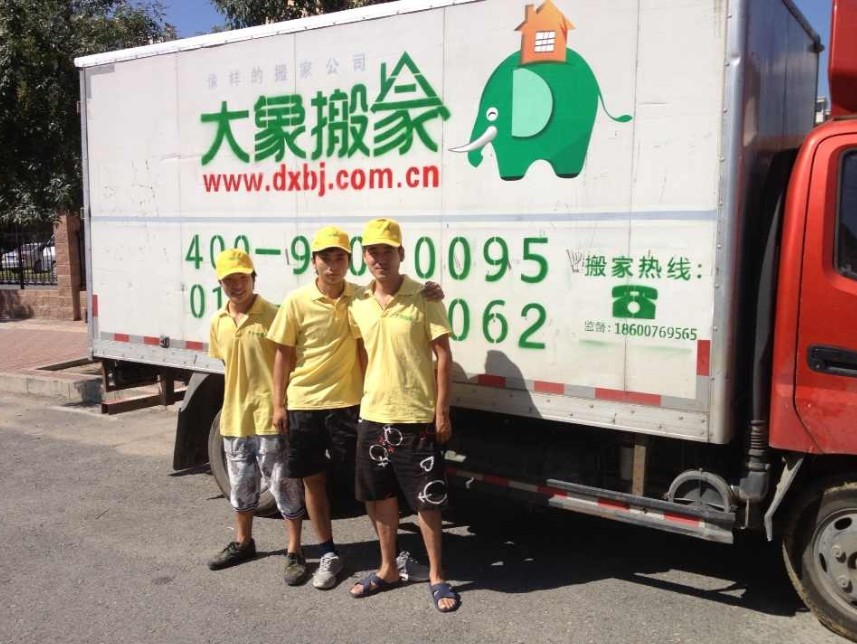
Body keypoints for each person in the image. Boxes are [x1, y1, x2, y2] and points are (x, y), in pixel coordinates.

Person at [267, 225, 441, 589]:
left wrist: (431, 289)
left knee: (369, 487)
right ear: (313, 261)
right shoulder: (297, 301)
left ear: (349, 261)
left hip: (350, 404)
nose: (332, 266)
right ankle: (327, 552)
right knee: (313, 480)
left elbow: (380, 331)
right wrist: (277, 403)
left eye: (339, 258)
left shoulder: (359, 296)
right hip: (304, 404)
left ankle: (390, 555)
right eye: (325, 258)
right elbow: (282, 354)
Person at [347, 218, 461, 613]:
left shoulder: (425, 296)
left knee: (427, 501)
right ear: (364, 257)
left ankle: (437, 576)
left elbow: (443, 356)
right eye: (372, 251)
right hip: (373, 414)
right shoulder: (358, 302)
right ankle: (388, 569)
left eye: (387, 250)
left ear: (401, 254)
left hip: (415, 416)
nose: (380, 258)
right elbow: (362, 352)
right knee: (379, 497)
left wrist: (441, 411)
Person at [206, 248, 305, 576]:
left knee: (283, 486)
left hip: (268, 417)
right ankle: (243, 541)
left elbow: (288, 363)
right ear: (220, 283)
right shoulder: (218, 321)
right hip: (234, 418)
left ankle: (295, 550)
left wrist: (280, 405)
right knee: (241, 486)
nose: (237, 285)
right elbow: (228, 364)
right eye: (229, 280)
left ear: (253, 278)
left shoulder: (274, 315)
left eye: (242, 278)